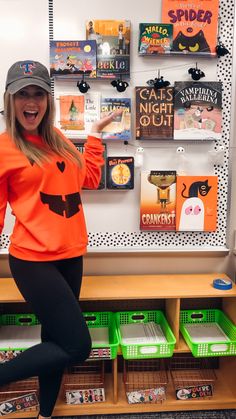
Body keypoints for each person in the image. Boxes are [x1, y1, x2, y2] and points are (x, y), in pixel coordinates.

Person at [0, 60, 119, 419]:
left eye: (38, 93)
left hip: (71, 254)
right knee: (77, 345)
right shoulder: (4, 149)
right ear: (10, 100)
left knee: (55, 342)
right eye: (23, 94)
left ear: (48, 101)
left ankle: (45, 414)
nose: (31, 101)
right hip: (32, 261)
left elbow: (91, 179)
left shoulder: (59, 139)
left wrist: (95, 136)